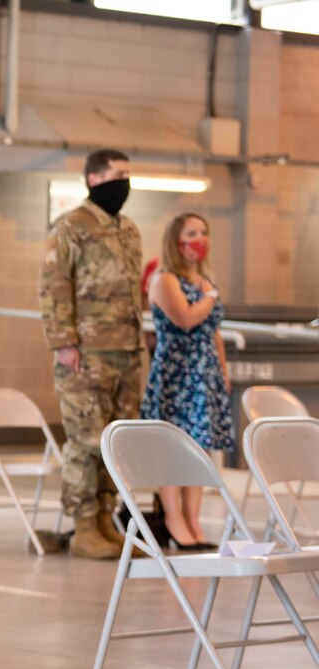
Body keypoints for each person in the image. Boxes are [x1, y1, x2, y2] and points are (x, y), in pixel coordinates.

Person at [39, 149, 143, 560]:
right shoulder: (70, 226)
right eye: (119, 175)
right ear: (94, 179)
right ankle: (83, 527)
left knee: (118, 442)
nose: (126, 183)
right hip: (85, 353)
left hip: (127, 352)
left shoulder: (128, 229)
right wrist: (64, 343)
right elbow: (53, 286)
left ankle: (104, 519)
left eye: (129, 175)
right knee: (86, 440)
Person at [140, 214, 231, 550]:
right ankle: (173, 519)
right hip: (176, 373)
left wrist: (222, 372)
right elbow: (187, 319)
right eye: (192, 233)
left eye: (204, 232)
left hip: (204, 373)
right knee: (171, 449)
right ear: (175, 241)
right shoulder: (164, 280)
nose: (200, 239)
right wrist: (209, 296)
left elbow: (213, 331)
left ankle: (194, 520)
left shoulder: (205, 279)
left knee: (199, 450)